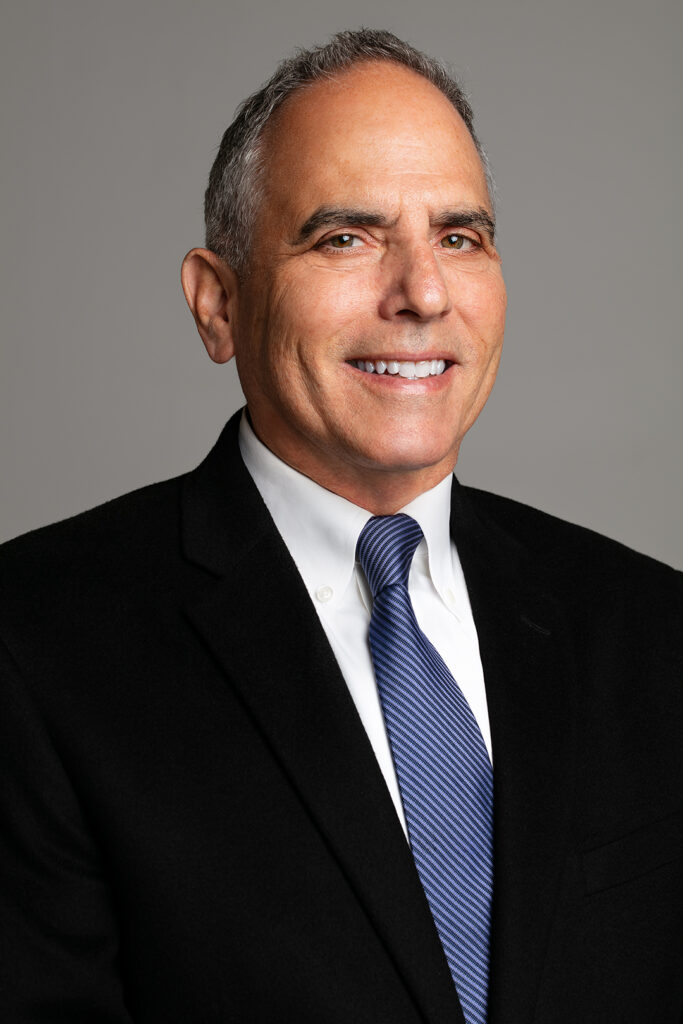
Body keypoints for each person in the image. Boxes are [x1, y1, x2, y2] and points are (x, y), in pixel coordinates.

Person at [0, 28, 681, 1024]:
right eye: (344, 237)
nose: (422, 292)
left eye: (459, 235)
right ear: (217, 302)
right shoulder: (34, 645)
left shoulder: (650, 626)